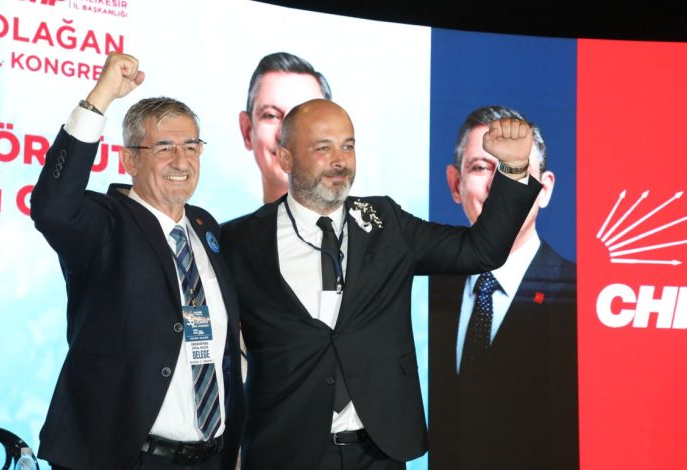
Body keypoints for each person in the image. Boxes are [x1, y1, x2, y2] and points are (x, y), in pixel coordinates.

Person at [221, 99, 542, 470]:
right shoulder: (239, 241)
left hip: (379, 450)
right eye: (323, 148)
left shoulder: (386, 222)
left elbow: (480, 251)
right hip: (285, 450)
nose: (340, 161)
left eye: (348, 146)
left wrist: (513, 169)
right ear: (286, 158)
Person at [30, 52, 244, 470]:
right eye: (164, 148)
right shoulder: (107, 224)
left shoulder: (206, 228)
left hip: (210, 459)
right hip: (123, 458)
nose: (181, 161)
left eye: (191, 146)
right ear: (130, 160)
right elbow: (52, 209)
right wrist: (101, 97)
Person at [428, 105, 578, 470]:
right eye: (481, 167)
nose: (499, 185)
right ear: (455, 183)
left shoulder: (579, 298)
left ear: (544, 189)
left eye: (515, 169)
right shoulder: (425, 293)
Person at [238, 52, 332, 203]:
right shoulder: (214, 220)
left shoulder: (368, 216)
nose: (286, 135)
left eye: (306, 117)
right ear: (247, 131)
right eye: (271, 116)